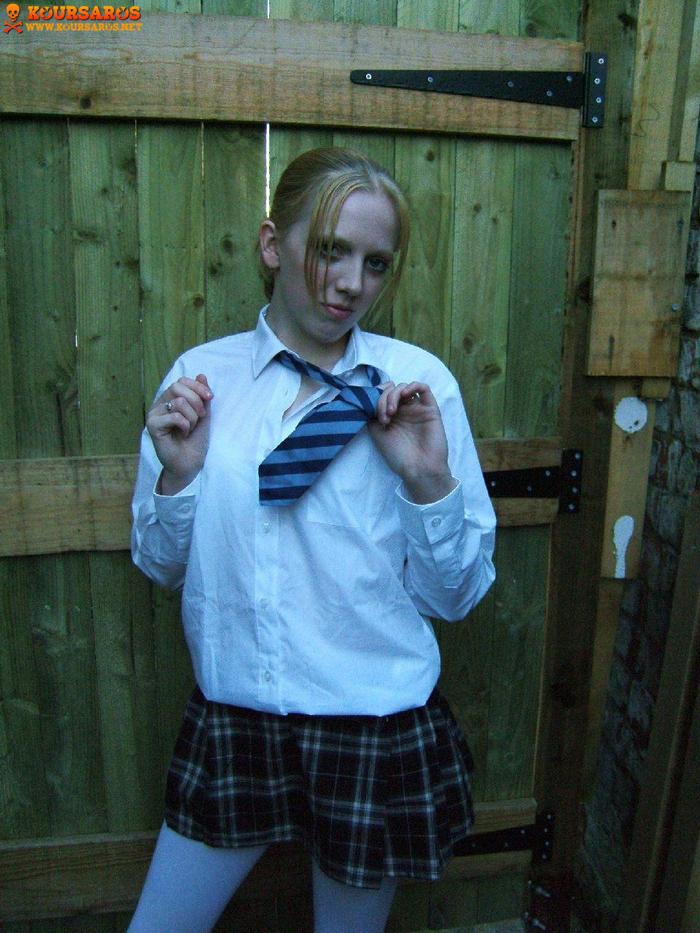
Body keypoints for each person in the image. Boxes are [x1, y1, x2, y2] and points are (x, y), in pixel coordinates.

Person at [128, 147, 496, 933]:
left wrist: (428, 479)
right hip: (236, 719)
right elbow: (161, 565)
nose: (351, 282)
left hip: (372, 725)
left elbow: (456, 597)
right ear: (273, 245)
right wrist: (179, 475)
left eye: (376, 262)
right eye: (331, 250)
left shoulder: (417, 388)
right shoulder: (202, 381)